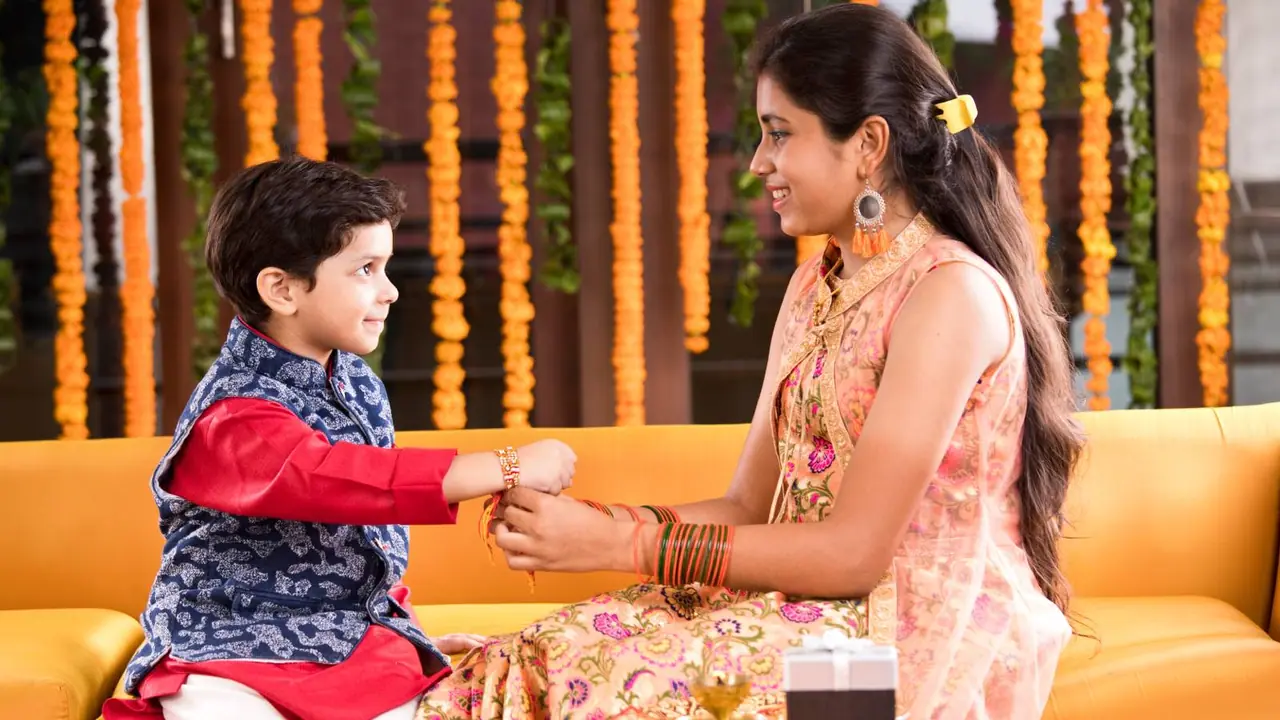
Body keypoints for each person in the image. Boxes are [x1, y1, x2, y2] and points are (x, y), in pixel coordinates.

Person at [417, 4, 1085, 719]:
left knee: (606, 687)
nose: (760, 162)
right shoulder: (815, 284)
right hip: (809, 610)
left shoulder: (948, 293)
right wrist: (585, 521)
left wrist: (615, 542)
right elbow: (749, 507)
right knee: (539, 657)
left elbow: (854, 556)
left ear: (868, 143)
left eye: (780, 133)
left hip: (915, 639)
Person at [102, 157, 578, 720]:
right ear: (281, 289)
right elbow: (338, 480)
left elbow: (367, 547)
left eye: (386, 268)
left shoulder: (354, 381)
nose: (390, 291)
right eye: (365, 270)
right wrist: (506, 464)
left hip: (345, 642)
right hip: (229, 650)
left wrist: (406, 635)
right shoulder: (232, 415)